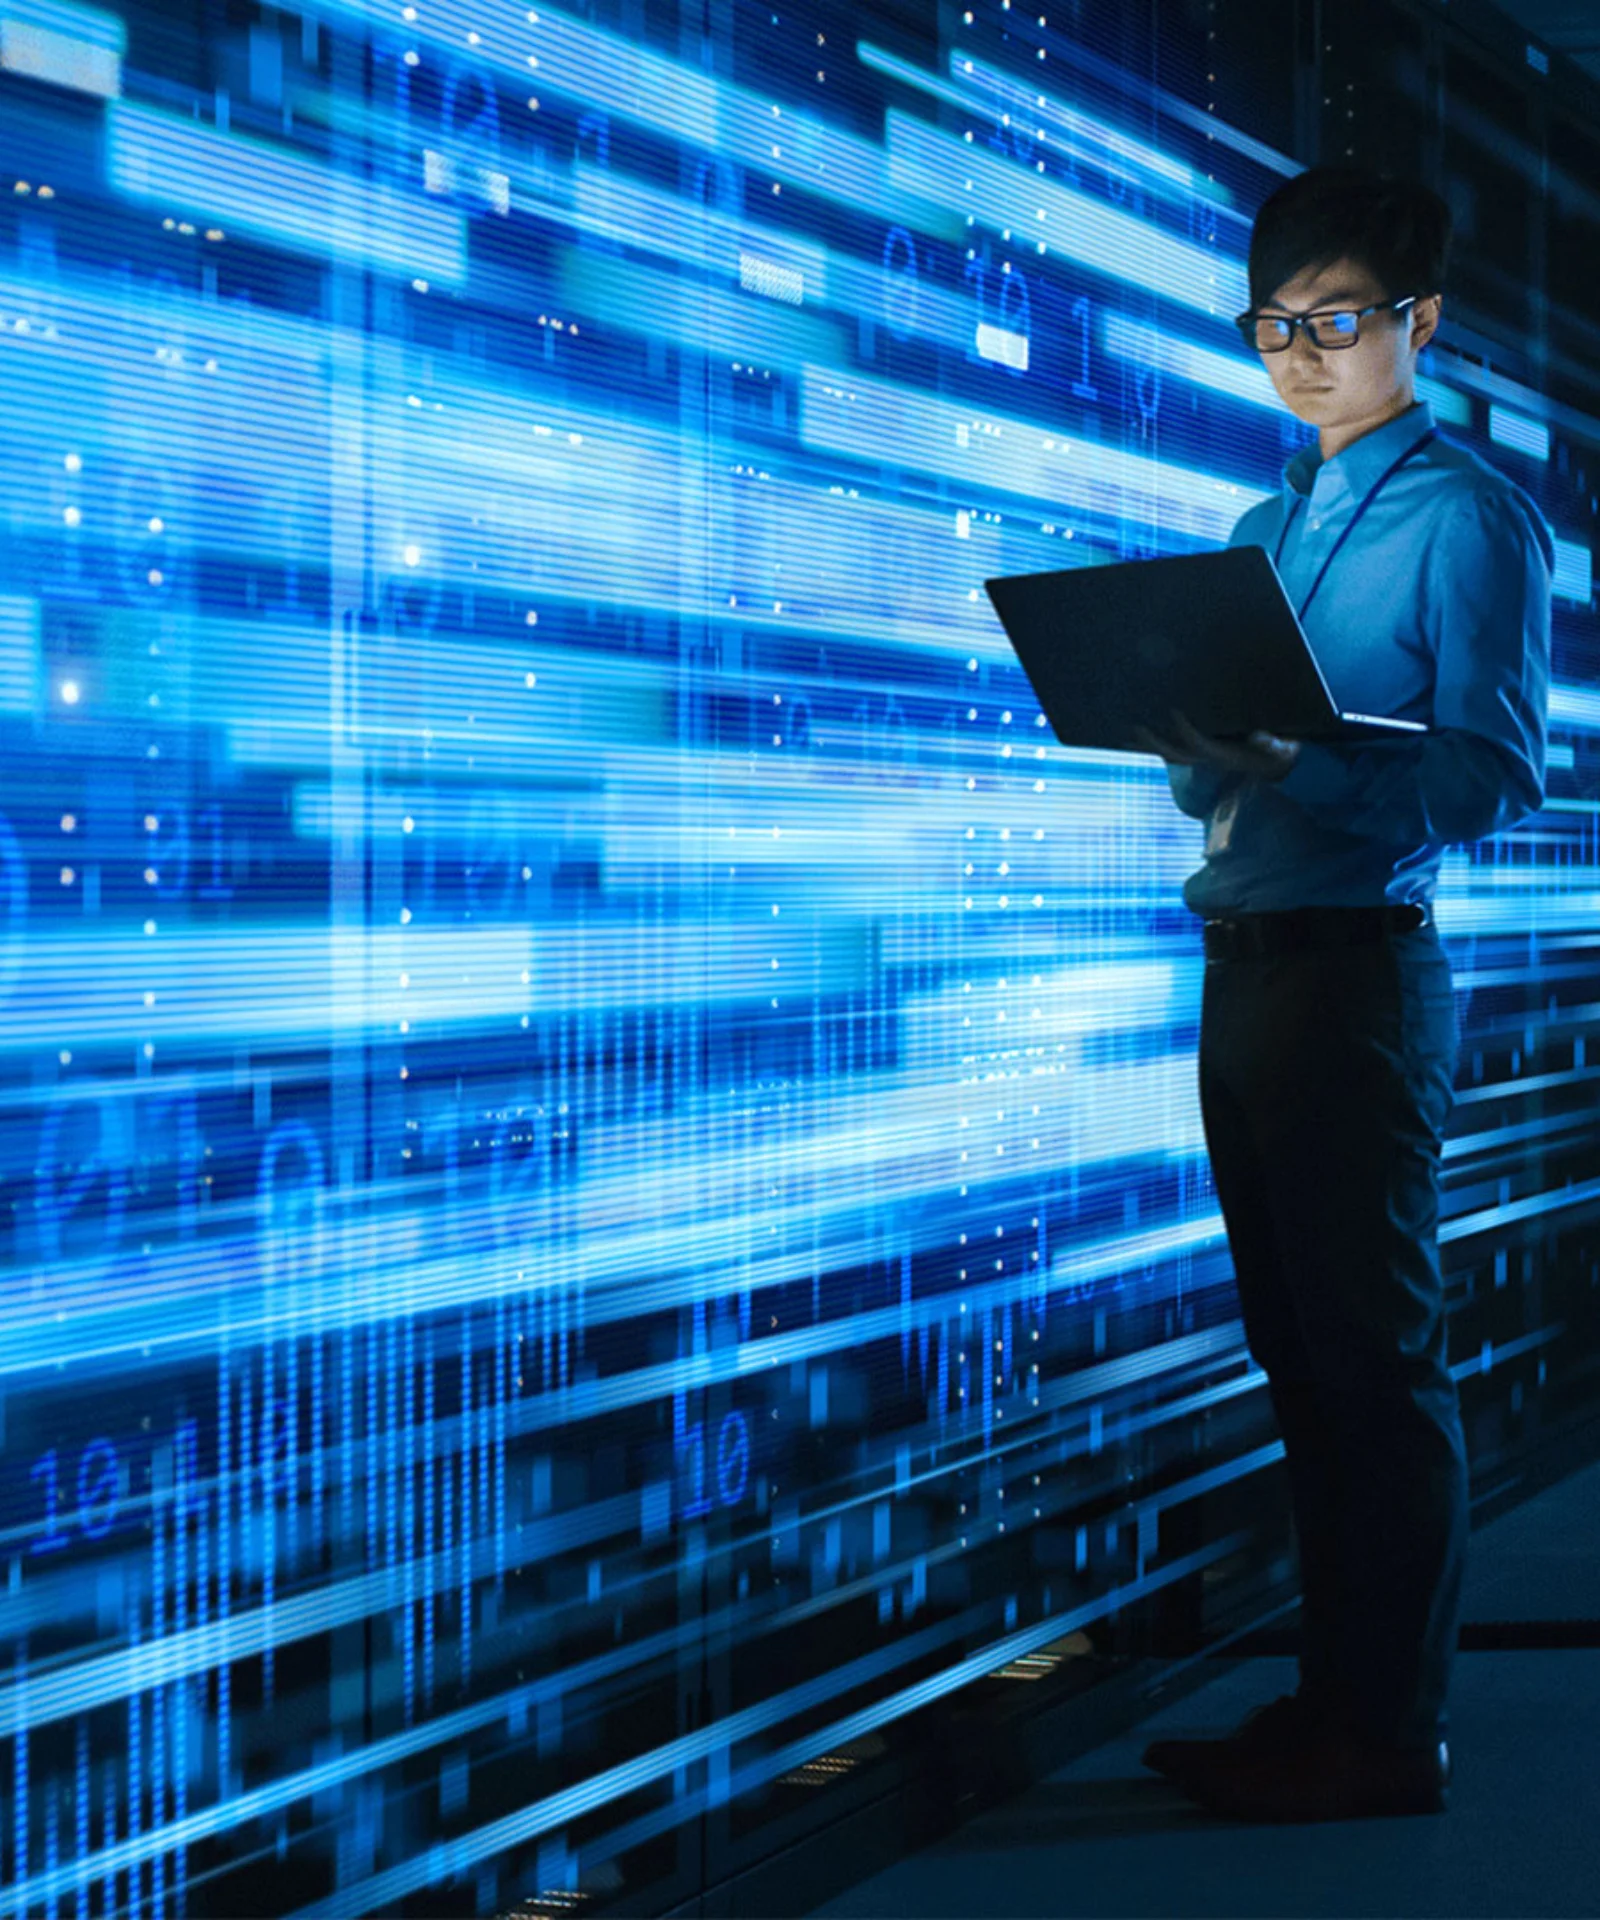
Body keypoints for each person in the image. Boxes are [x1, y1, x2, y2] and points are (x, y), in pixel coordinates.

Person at [1134, 166, 1553, 1821]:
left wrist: (1295, 764)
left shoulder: (1469, 519)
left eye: (1335, 320)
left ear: (1419, 324)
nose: (1299, 354)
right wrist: (1201, 752)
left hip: (1358, 983)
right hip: (1244, 973)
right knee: (1302, 1365)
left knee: (1376, 1367)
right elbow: (1235, 787)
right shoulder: (1261, 529)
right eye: (1273, 326)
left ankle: (1386, 1731)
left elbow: (1489, 776)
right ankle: (1336, 1702)